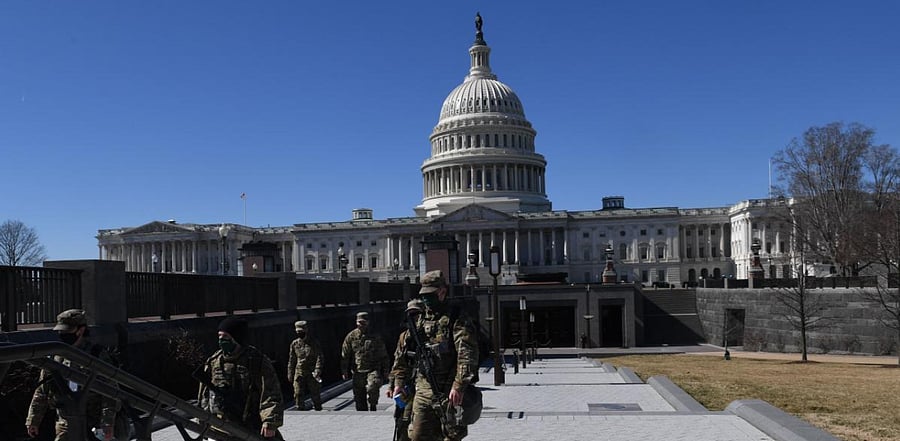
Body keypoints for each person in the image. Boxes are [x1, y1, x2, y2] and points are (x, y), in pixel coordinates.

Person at [391, 270, 479, 441]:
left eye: (430, 295)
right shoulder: (419, 320)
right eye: (424, 295)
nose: (426, 299)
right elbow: (403, 354)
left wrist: (459, 385)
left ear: (442, 292)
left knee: (451, 436)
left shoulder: (456, 319)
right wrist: (399, 383)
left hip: (448, 390)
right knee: (417, 436)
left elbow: (467, 355)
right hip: (423, 390)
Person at [25, 309, 121, 441]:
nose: (63, 335)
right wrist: (33, 419)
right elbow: (42, 390)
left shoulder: (96, 355)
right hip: (65, 420)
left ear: (80, 331)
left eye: (67, 331)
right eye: (61, 332)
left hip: (92, 420)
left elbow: (110, 391)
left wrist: (107, 422)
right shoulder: (56, 356)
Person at [197, 317, 283, 439]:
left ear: (237, 338)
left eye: (226, 337)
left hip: (249, 426)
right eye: (219, 337)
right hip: (219, 427)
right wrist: (202, 419)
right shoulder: (214, 361)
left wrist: (270, 422)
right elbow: (205, 394)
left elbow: (271, 393)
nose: (221, 341)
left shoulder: (256, 361)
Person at [387, 299, 424, 441]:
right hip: (408, 387)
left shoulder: (430, 335)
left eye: (417, 314)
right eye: (411, 314)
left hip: (427, 386)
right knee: (402, 421)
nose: (414, 318)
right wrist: (393, 385)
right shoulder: (404, 337)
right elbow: (398, 363)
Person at [341, 311, 389, 411]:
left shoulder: (375, 336)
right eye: (359, 322)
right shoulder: (351, 336)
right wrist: (344, 371)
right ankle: (363, 414)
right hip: (358, 370)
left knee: (373, 386)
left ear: (368, 322)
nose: (361, 325)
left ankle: (373, 404)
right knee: (359, 397)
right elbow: (345, 354)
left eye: (364, 322)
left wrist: (385, 370)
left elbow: (383, 354)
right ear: (356, 322)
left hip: (373, 368)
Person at [287, 320, 323, 411]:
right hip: (299, 372)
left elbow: (320, 356)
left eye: (301, 331)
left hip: (312, 372)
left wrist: (318, 369)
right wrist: (290, 373)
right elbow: (292, 359)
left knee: (315, 394)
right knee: (298, 393)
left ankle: (318, 411)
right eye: (298, 332)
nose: (300, 333)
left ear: (306, 331)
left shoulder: (313, 343)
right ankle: (300, 410)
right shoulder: (294, 344)